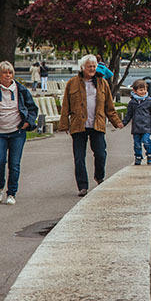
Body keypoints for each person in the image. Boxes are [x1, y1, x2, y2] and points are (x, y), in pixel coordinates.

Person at [57, 54, 124, 196]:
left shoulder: (102, 83)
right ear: (83, 68)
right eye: (89, 66)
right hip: (78, 125)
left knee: (101, 154)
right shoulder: (72, 83)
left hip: (97, 124)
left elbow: (109, 106)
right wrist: (64, 124)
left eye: (94, 66)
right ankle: (82, 186)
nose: (92, 69)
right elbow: (65, 106)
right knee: (79, 157)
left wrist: (116, 121)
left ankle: (99, 177)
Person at [0, 61, 38, 205]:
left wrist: (28, 122)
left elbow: (32, 109)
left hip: (17, 132)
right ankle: (0, 187)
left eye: (10, 72)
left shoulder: (21, 90)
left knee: (14, 164)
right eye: (5, 72)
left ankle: (11, 193)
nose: (8, 75)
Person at [122, 79, 151, 165]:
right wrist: (123, 123)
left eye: (144, 89)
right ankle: (138, 157)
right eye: (141, 90)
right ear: (134, 90)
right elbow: (128, 115)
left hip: (146, 127)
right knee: (137, 144)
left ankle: (149, 154)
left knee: (146, 141)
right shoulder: (132, 103)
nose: (143, 91)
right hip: (136, 127)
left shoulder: (149, 101)